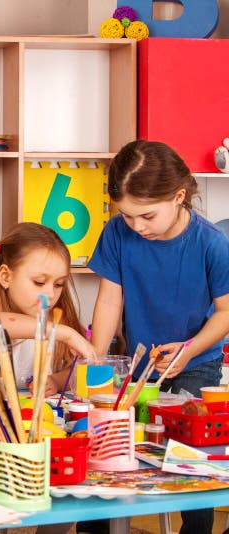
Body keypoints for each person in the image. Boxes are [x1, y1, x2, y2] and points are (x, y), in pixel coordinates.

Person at [88, 139, 229, 534]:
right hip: (136, 363)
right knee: (107, 446)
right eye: (127, 216)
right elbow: (109, 302)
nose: (137, 226)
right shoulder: (116, 233)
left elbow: (226, 312)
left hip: (195, 363)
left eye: (146, 215)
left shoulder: (211, 242)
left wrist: (188, 349)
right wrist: (95, 361)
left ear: (179, 196)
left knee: (188, 457)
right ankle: (98, 526)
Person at [0, 222, 96, 396]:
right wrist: (65, 333)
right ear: (5, 276)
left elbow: (72, 368)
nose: (50, 294)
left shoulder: (57, 318)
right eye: (39, 282)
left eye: (59, 284)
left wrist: (56, 381)